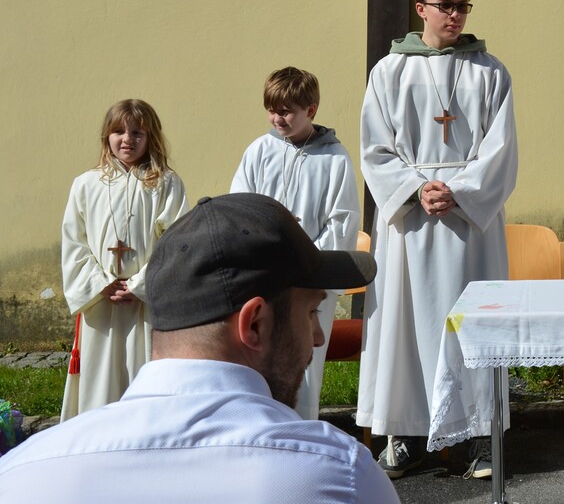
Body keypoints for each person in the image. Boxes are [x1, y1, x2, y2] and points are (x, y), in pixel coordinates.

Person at [0, 193, 399, 504]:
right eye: (311, 311)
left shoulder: (23, 475)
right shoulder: (339, 478)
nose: (317, 336)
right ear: (255, 323)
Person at [357, 0, 518, 480]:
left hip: (469, 223)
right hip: (410, 222)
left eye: (462, 6)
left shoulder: (489, 71)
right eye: (444, 6)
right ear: (421, 8)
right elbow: (374, 148)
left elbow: (501, 150)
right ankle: (406, 435)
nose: (455, 15)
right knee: (407, 327)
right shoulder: (389, 71)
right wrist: (414, 189)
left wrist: (460, 191)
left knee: (473, 325)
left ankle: (478, 436)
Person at [231, 66, 361, 420]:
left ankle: (301, 433)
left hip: (309, 279)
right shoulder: (259, 151)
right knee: (259, 361)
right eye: (272, 110)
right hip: (266, 276)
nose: (278, 118)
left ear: (311, 110)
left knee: (304, 367)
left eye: (286, 111)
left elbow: (342, 221)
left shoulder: (334, 158)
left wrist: (305, 263)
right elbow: (241, 207)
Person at [60, 99, 188, 420]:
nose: (127, 139)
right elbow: (74, 243)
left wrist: (141, 284)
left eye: (137, 132)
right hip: (100, 304)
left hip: (146, 303)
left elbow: (176, 241)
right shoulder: (86, 184)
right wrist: (100, 283)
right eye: (118, 131)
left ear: (151, 137)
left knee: (145, 380)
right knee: (100, 386)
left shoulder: (166, 183)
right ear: (107, 136)